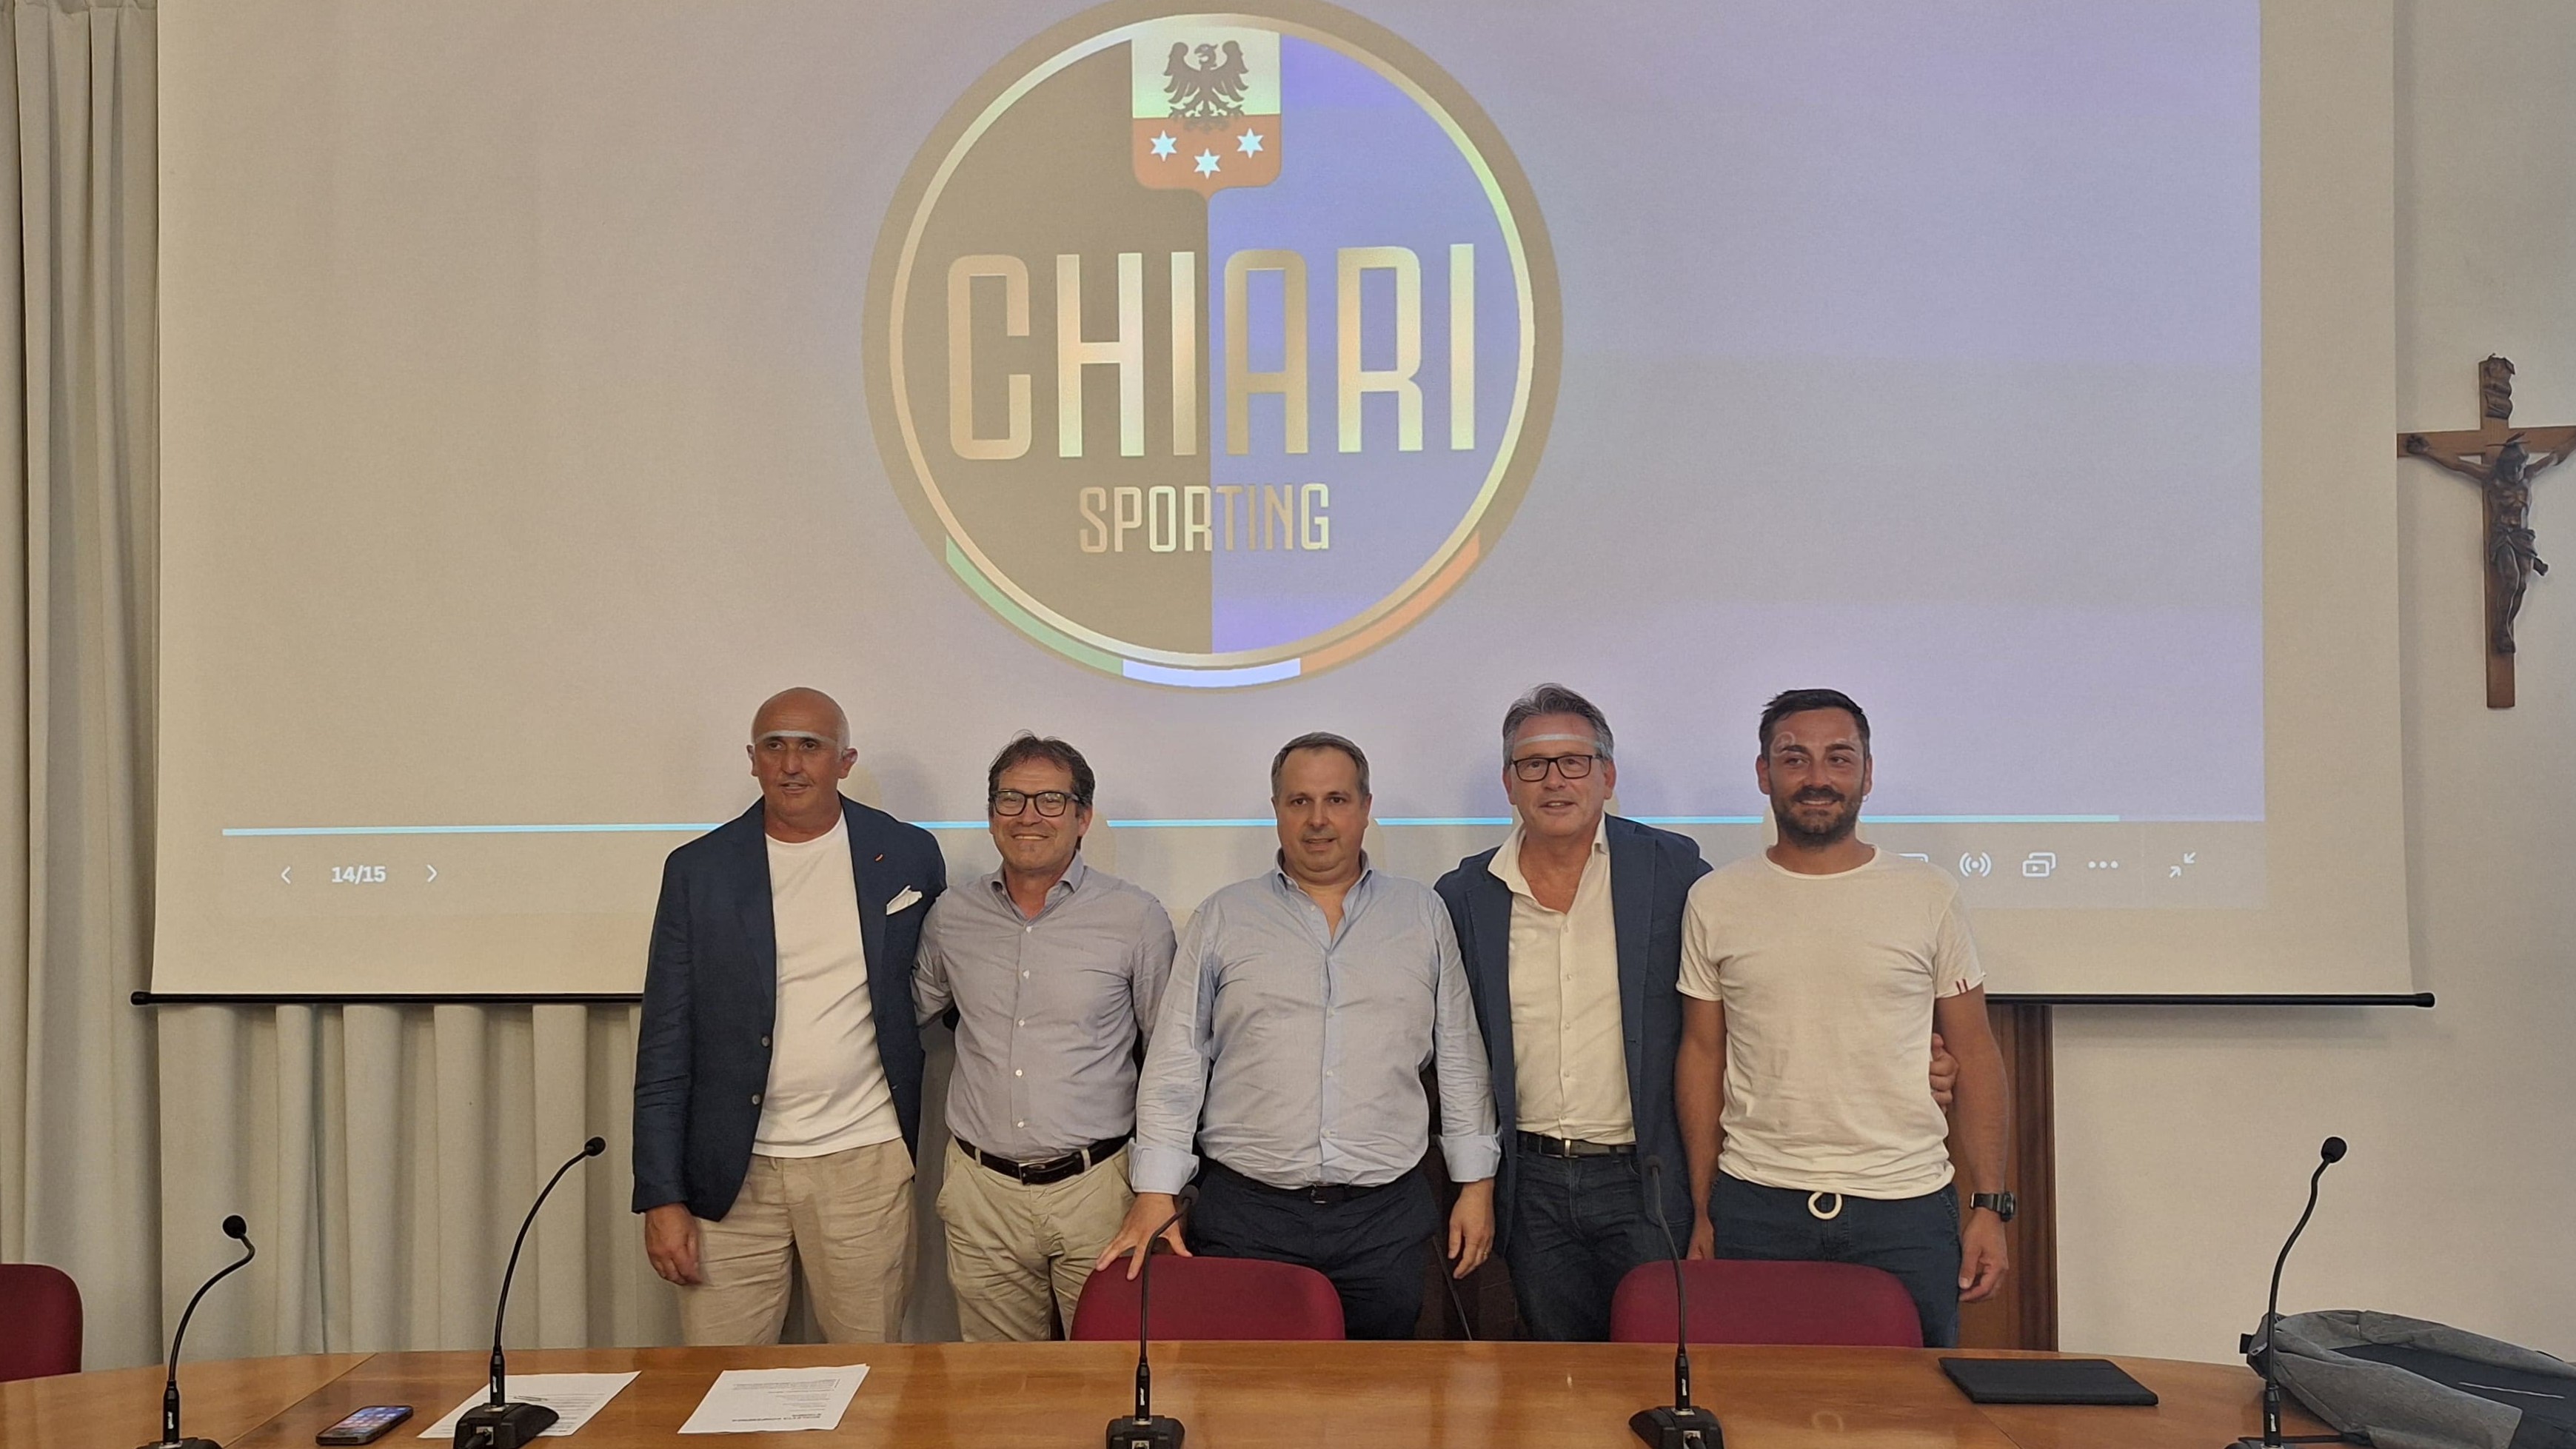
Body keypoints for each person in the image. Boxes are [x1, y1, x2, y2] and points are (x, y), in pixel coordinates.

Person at [1097, 732, 1499, 1339]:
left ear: (1365, 807)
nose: (1317, 819)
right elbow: (1177, 1060)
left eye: (1336, 799)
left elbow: (1461, 1057)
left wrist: (1476, 1183)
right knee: (1249, 1390)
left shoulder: (1421, 914)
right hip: (1248, 1216)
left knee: (1375, 1388)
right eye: (1299, 801)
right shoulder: (1223, 916)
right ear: (1277, 809)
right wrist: (1156, 1189)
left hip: (1383, 1220)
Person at [1676, 688, 2011, 1348]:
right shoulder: (1714, 899)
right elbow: (1702, 1054)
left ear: (1867, 772)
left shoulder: (1928, 894)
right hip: (1757, 1204)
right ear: (1763, 773)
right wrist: (1702, 1207)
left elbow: (1973, 1050)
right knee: (1759, 1399)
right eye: (1793, 758)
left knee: (1912, 1403)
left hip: (1906, 1209)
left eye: (1838, 757)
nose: (1817, 778)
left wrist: (1990, 1206)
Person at [632, 687, 947, 1344]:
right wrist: (661, 1194)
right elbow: (664, 1041)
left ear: (845, 761)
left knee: (871, 1379)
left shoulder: (906, 852)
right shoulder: (698, 870)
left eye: (811, 745)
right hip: (729, 1173)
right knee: (721, 1383)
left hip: (863, 1160)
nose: (792, 763)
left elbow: (944, 978)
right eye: (774, 745)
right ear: (753, 759)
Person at [1431, 684, 1710, 1340]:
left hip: (1646, 1179)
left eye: (1573, 761)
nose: (1554, 780)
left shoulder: (1672, 870)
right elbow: (1453, 1046)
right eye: (1533, 763)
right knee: (1559, 1376)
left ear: (1607, 776)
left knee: (1659, 1363)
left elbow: (1732, 1005)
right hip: (1530, 1186)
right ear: (1509, 783)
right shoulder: (1465, 894)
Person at [914, 734, 1176, 1340]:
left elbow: (1172, 1058)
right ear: (991, 815)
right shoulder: (952, 917)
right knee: (999, 1385)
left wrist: (1165, 1186)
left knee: (1107, 1373)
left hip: (1098, 1190)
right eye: (1010, 798)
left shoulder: (1135, 918)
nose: (1028, 815)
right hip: (983, 1193)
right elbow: (902, 1016)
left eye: (1050, 800)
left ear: (1083, 817)